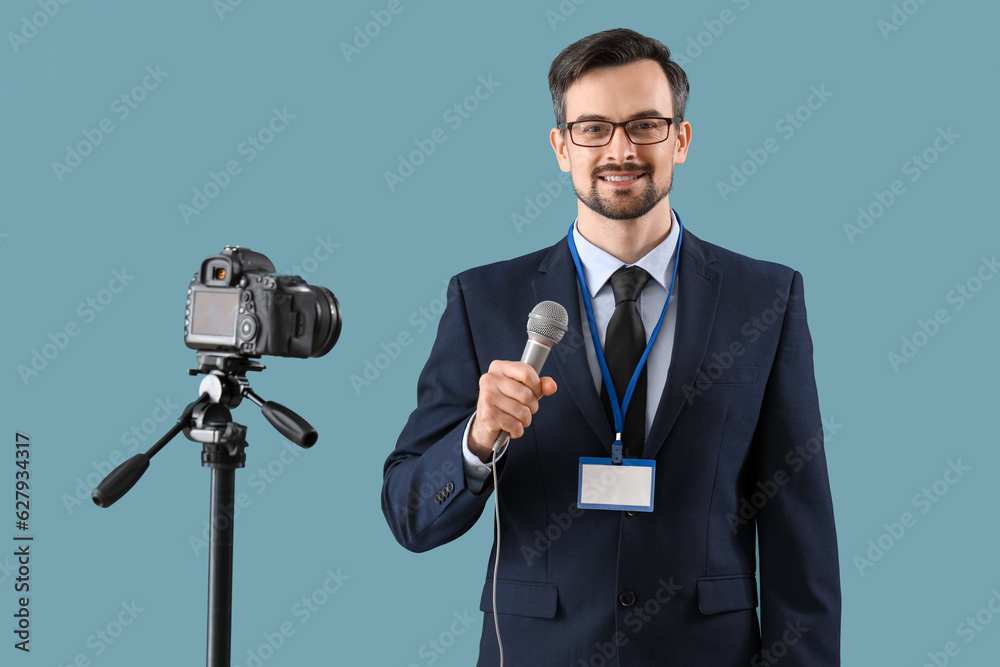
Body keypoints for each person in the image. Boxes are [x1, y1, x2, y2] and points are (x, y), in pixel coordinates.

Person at [381, 28, 840, 666]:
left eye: (645, 125)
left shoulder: (766, 297)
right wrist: (477, 441)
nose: (620, 148)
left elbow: (800, 527)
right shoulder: (482, 299)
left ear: (680, 138)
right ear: (561, 147)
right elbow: (409, 515)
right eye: (593, 127)